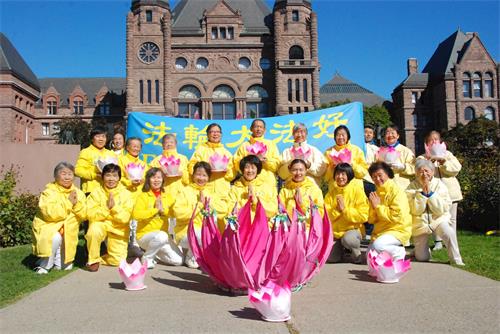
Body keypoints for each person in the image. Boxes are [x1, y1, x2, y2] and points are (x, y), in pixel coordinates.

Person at [32, 162, 87, 274]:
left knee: (65, 267)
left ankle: (56, 260)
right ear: (56, 176)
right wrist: (68, 203)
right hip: (49, 226)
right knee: (55, 237)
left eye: (70, 174)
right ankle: (45, 265)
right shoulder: (49, 192)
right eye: (63, 174)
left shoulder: (78, 193)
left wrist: (76, 205)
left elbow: (84, 215)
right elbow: (50, 214)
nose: (67, 177)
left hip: (69, 230)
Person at [407, 159, 464, 265]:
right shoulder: (411, 187)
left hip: (438, 220)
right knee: (422, 258)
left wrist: (431, 195)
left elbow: (441, 210)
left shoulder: (440, 185)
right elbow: (415, 210)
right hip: (420, 225)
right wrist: (422, 195)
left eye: (426, 171)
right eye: (420, 171)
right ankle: (419, 251)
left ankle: (456, 259)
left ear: (432, 172)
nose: (424, 174)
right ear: (416, 173)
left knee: (449, 232)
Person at [172, 162, 227, 268]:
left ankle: (199, 254)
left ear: (208, 177)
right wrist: (199, 206)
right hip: (185, 232)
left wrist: (208, 203)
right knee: (200, 235)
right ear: (193, 175)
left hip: (204, 233)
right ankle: (191, 255)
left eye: (204, 175)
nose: (201, 178)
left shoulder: (210, 193)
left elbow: (223, 210)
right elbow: (178, 213)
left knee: (213, 237)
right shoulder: (184, 191)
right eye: (198, 174)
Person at [416, 130, 463, 251]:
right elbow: (418, 171)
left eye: (436, 139)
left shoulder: (448, 154)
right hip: (434, 193)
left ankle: (452, 242)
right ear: (426, 143)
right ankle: (438, 241)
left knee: (452, 219)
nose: (434, 142)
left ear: (440, 142)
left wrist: (443, 162)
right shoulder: (422, 157)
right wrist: (429, 162)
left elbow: (456, 169)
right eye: (431, 140)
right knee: (435, 217)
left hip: (451, 192)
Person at [85, 164, 133, 271]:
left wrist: (114, 208)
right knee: (94, 230)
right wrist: (106, 209)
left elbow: (125, 218)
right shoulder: (96, 193)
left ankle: (103, 256)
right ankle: (93, 260)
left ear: (119, 178)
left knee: (118, 262)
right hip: (101, 224)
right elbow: (90, 214)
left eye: (115, 176)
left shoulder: (126, 194)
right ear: (102, 177)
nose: (111, 179)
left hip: (118, 228)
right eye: (108, 175)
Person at [132, 168, 182, 269]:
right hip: (144, 236)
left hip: (162, 238)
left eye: (159, 177)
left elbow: (173, 213)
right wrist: (155, 210)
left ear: (163, 180)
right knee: (162, 236)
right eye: (153, 177)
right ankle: (147, 258)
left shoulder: (167, 196)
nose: (156, 180)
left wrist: (164, 211)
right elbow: (136, 215)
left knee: (178, 261)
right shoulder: (143, 196)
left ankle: (154, 252)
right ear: (148, 180)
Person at [188, 123, 234, 229]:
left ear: (221, 135)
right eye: (212, 132)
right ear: (207, 134)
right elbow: (191, 167)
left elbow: (231, 175)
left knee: (223, 222)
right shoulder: (200, 150)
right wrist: (205, 170)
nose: (215, 134)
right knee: (206, 220)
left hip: (222, 191)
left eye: (217, 132)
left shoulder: (226, 152)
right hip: (205, 189)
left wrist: (226, 172)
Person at [367, 162, 412, 260]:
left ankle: (398, 252)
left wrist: (378, 207)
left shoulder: (396, 191)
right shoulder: (376, 193)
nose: (377, 179)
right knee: (370, 255)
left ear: (387, 174)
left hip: (398, 230)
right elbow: (371, 220)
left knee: (378, 246)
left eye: (380, 175)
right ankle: (389, 260)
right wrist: (374, 207)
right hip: (381, 232)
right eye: (374, 177)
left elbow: (396, 216)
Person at [325, 163, 369, 264]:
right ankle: (342, 251)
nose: (340, 177)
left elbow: (364, 215)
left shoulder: (357, 191)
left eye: (343, 174)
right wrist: (337, 210)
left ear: (349, 175)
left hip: (352, 230)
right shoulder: (331, 193)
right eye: (338, 174)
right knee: (331, 259)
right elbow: (325, 215)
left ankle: (356, 253)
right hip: (336, 232)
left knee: (349, 239)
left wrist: (345, 210)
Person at [233, 119, 280, 188]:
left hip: (267, 183)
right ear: (251, 129)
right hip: (249, 183)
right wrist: (248, 159)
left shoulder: (271, 144)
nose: (258, 129)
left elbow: (277, 165)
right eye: (256, 127)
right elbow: (237, 164)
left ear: (264, 130)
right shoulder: (244, 145)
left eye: (261, 127)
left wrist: (265, 161)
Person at [228, 155, 278, 220]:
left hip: (262, 226)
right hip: (242, 226)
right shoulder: (235, 188)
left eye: (253, 167)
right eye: (247, 167)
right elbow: (231, 210)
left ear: (258, 170)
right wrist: (247, 201)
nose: (250, 171)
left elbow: (272, 210)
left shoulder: (267, 187)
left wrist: (256, 201)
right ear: (242, 170)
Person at [278, 122, 327, 187]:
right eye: (296, 132)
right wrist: (289, 165)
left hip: (311, 188)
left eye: (302, 132)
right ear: (293, 134)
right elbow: (281, 174)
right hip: (291, 188)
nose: (299, 135)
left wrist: (310, 166)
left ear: (306, 134)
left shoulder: (314, 151)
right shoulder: (286, 152)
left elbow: (321, 171)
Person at [279, 159, 324, 228]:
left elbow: (320, 213)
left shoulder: (314, 189)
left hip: (307, 227)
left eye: (301, 170)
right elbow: (280, 211)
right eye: (294, 170)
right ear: (290, 171)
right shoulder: (284, 190)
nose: (298, 173)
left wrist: (301, 205)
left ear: (306, 170)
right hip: (288, 227)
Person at [324, 125, 367, 190]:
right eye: (338, 135)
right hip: (335, 189)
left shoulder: (357, 150)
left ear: (348, 137)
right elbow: (325, 178)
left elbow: (363, 173)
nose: (340, 137)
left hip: (354, 189)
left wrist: (352, 165)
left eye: (343, 135)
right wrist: (331, 168)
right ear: (334, 137)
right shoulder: (328, 152)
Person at [75, 126, 115, 195]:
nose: (101, 139)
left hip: (107, 191)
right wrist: (94, 175)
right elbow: (77, 171)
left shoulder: (111, 154)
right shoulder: (86, 152)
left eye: (103, 137)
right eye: (98, 136)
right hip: (91, 191)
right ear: (92, 139)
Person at [149, 134, 189, 198]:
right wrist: (159, 171)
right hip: (163, 193)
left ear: (176, 144)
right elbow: (149, 176)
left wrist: (182, 174)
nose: (169, 144)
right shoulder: (157, 160)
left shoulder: (183, 158)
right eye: (166, 142)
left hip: (180, 193)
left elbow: (188, 179)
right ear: (162, 145)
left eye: (171, 142)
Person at [378, 125, 415, 190]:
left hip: (402, 188)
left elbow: (414, 168)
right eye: (387, 133)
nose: (390, 135)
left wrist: (403, 167)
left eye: (392, 133)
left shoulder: (406, 151)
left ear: (398, 136)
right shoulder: (380, 151)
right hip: (385, 187)